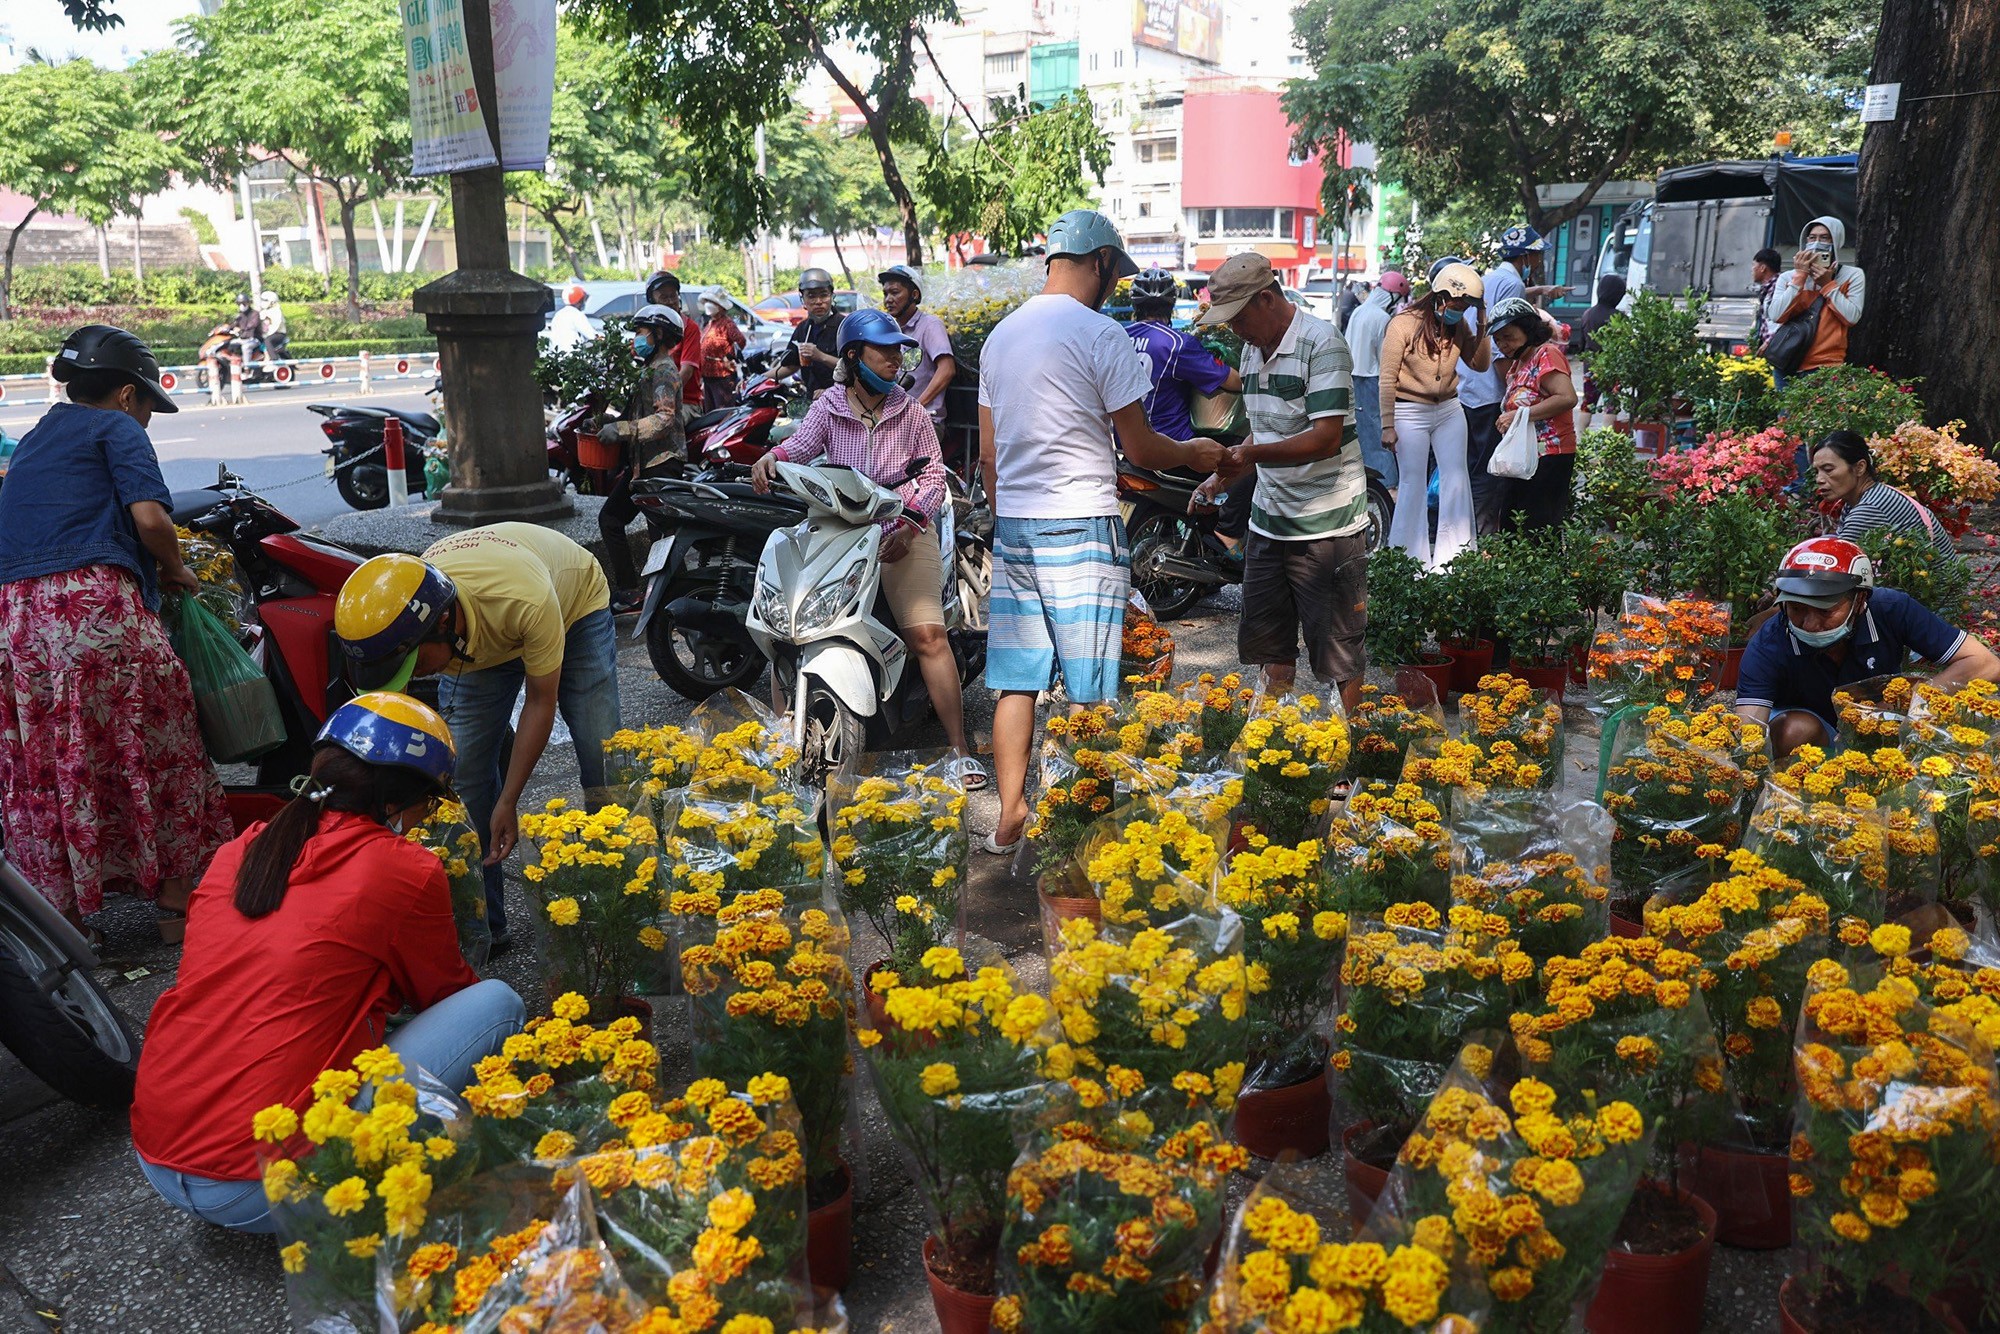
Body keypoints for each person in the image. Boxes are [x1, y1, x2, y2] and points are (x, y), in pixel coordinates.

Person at [130, 693, 526, 1234]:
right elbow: (447, 995)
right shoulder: (403, 867)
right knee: (500, 1004)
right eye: (429, 805)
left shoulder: (239, 851)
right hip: (256, 1187)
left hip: (156, 1153)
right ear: (395, 803)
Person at [977, 209, 1225, 853]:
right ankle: (1080, 826)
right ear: (1100, 263)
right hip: (1081, 522)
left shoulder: (1000, 336)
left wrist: (1009, 516)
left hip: (1017, 526)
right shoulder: (1101, 334)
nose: (1115, 284)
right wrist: (1194, 453)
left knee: (1017, 679)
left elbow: (986, 452)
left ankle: (1011, 811)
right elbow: (1140, 448)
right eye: (1115, 272)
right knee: (1089, 685)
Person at [0, 325, 232, 941]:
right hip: (90, 607)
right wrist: (176, 568)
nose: (149, 416)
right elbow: (152, 518)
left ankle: (67, 922)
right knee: (165, 736)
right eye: (151, 404)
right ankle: (179, 906)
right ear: (129, 395)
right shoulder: (117, 427)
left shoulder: (36, 437)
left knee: (52, 758)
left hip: (18, 621)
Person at [333, 526, 619, 950]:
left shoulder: (524, 600)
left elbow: (541, 703)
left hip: (572, 607)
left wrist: (509, 801)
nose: (412, 679)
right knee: (464, 778)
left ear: (444, 622)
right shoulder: (412, 613)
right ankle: (483, 926)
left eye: (414, 665)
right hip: (478, 644)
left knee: (603, 760)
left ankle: (617, 898)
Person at [750, 310, 984, 785]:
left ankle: (959, 748)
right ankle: (782, 740)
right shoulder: (829, 406)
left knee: (928, 637)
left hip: (902, 527)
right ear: (855, 357)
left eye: (900, 350)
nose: (897, 360)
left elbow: (933, 475)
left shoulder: (911, 410)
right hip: (838, 526)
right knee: (788, 628)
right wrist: (772, 457)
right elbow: (801, 445)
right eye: (886, 351)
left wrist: (912, 524)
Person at [1191, 253, 1364, 707]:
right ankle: (1274, 742)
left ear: (1266, 299)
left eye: (1239, 317)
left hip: (1326, 527)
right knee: (1271, 647)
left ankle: (1350, 756)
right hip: (1268, 524)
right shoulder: (1252, 351)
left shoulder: (1321, 344)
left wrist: (1248, 453)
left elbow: (1325, 438)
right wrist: (1219, 479)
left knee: (1338, 655)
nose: (1234, 330)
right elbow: (1264, 432)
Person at [1735, 538, 2000, 758]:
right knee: (1793, 730)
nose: (1811, 623)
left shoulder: (1892, 609)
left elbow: (1985, 663)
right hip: (1812, 731)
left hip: (1885, 723)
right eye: (1797, 609)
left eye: (1826, 610)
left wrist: (1909, 701)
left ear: (1860, 599)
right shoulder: (1769, 643)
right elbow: (1748, 727)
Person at [1379, 263, 1489, 568]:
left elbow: (1480, 365)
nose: (1459, 311)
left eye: (1465, 306)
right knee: (1413, 482)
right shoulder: (1403, 324)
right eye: (1457, 305)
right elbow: (1387, 378)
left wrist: (1482, 324)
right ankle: (1407, 564)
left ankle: (1454, 562)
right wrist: (1388, 425)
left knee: (1456, 479)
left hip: (1449, 409)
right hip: (1409, 409)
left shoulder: (1460, 326)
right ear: (1440, 296)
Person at [1458, 227, 1556, 533]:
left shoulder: (1491, 277)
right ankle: (1479, 537)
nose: (1539, 261)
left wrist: (1538, 291)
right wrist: (1516, 388)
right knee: (1490, 471)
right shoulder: (1512, 283)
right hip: (1490, 393)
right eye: (1538, 255)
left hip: (1470, 388)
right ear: (1526, 255)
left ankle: (1468, 533)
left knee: (1474, 467)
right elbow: (1505, 345)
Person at [593, 303, 689, 613]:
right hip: (643, 466)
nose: (636, 337)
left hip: (662, 464)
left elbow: (663, 419)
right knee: (613, 520)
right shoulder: (648, 369)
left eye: (641, 331)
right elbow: (635, 415)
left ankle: (685, 600)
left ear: (658, 334)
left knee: (662, 537)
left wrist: (620, 429)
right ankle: (631, 592)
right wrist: (601, 423)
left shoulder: (663, 370)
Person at [1487, 297, 1580, 530]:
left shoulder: (1546, 354)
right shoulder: (1517, 365)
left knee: (1537, 530)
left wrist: (1520, 415)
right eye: (1497, 340)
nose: (1503, 344)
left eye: (1508, 336)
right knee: (1513, 527)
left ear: (1528, 329)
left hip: (1550, 456)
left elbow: (1567, 397)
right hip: (1526, 458)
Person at [1811, 430, 1957, 562]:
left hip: (1933, 591)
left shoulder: (1870, 508)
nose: (1819, 479)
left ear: (1860, 468)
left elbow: (1838, 564)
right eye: (1817, 472)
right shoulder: (1869, 497)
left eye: (1828, 469)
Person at [1764, 216, 1865, 378]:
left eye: (1824, 237)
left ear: (1836, 241)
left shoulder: (1852, 275)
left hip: (1825, 366)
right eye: (1812, 238)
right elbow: (1776, 314)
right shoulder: (1788, 277)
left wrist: (1827, 285)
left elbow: (1851, 317)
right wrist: (1799, 278)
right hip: (1787, 362)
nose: (1817, 243)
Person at [1344, 270, 1407, 495]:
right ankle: (1388, 486)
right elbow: (1386, 359)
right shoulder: (1382, 318)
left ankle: (1368, 485)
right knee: (1380, 436)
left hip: (1353, 377)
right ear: (1393, 296)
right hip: (1373, 380)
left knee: (1363, 435)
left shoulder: (1359, 311)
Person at [877, 264, 958, 424]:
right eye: (885, 294)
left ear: (914, 295)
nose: (888, 300)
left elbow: (947, 369)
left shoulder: (930, 325)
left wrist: (916, 406)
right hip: (893, 419)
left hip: (925, 420)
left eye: (895, 292)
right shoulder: (888, 329)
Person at [773, 269, 842, 399]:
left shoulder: (843, 326)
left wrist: (820, 356)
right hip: (811, 401)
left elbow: (853, 369)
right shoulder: (803, 328)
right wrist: (759, 380)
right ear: (802, 299)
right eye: (811, 296)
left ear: (832, 296)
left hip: (840, 401)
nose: (818, 301)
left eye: (824, 295)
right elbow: (790, 366)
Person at [643, 270, 704, 414]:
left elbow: (687, 371)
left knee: (654, 429)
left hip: (685, 403)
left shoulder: (689, 328)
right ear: (653, 301)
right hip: (656, 400)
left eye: (673, 296)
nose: (670, 302)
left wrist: (664, 395)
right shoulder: (650, 330)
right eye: (664, 297)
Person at [699, 294, 746, 411]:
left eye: (712, 302)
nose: (708, 304)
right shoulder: (710, 323)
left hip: (722, 376)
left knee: (723, 411)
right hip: (708, 376)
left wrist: (728, 357)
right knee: (710, 411)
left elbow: (741, 341)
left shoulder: (727, 324)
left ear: (721, 307)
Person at [548, 282, 595, 353]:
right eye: (583, 300)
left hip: (558, 357)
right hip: (574, 358)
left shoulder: (558, 315)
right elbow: (592, 336)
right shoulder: (576, 315)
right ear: (579, 301)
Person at [1750, 247, 1782, 346]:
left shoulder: (1778, 287)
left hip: (1775, 346)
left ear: (1763, 268)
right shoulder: (1768, 288)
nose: (1752, 269)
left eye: (1754, 265)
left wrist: (1769, 342)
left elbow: (1781, 320)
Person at [256, 290, 290, 362]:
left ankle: (274, 359)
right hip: (268, 334)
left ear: (272, 301)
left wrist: (266, 334)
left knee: (268, 341)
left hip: (278, 334)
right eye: (262, 300)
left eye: (265, 300)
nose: (263, 302)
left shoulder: (277, 311)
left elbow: (276, 326)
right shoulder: (264, 311)